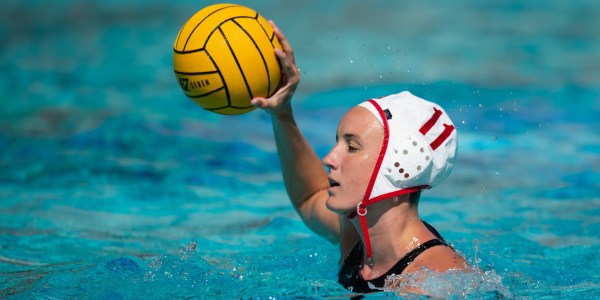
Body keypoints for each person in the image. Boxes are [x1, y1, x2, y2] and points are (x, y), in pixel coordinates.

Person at [251, 21, 468, 294]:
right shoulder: (358, 240)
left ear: (405, 165)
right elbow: (309, 198)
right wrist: (282, 114)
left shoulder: (433, 282)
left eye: (351, 147)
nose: (329, 158)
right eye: (337, 143)